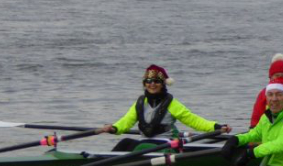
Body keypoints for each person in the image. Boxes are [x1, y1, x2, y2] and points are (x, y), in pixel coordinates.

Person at [96, 65, 230, 152]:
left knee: (142, 147)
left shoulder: (172, 103)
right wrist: (113, 128)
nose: (152, 84)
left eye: (156, 81)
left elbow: (194, 121)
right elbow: (126, 121)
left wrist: (217, 127)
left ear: (162, 84)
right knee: (125, 142)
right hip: (145, 142)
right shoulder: (140, 102)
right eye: (148, 81)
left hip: (166, 144)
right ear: (144, 84)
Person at [250, 54, 283, 129]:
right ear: (271, 77)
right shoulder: (264, 93)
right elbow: (256, 118)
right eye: (277, 76)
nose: (280, 79)